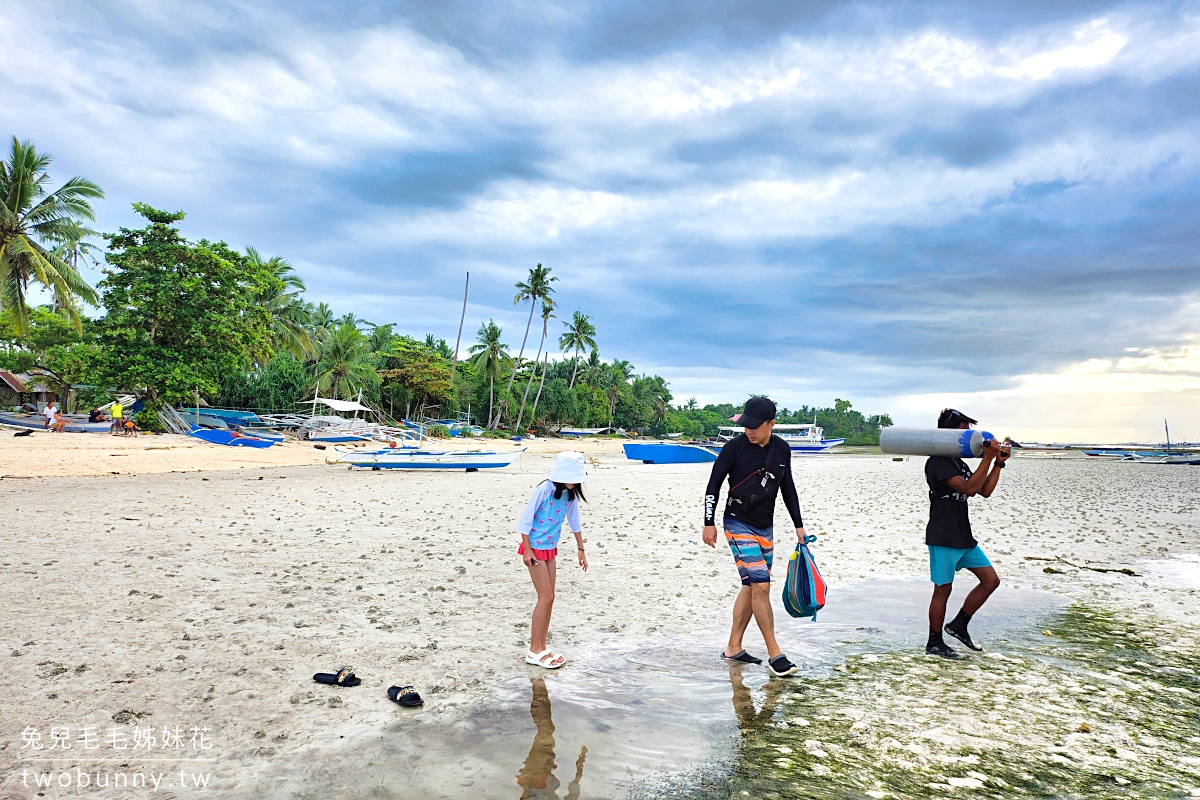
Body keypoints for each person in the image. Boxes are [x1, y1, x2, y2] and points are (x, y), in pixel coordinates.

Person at [703, 396, 805, 678]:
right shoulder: (733, 448)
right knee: (761, 586)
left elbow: (789, 489)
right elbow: (714, 484)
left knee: (751, 586)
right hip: (736, 523)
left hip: (765, 528)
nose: (748, 430)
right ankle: (776, 654)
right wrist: (708, 522)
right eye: (745, 425)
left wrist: (799, 525)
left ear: (772, 424)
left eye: (755, 426)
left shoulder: (782, 450)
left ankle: (733, 647)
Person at [923, 408, 1010, 659]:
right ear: (949, 433)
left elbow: (984, 491)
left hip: (963, 535)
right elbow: (969, 489)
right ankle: (934, 642)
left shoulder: (956, 462)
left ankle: (959, 625)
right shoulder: (937, 462)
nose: (968, 437)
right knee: (943, 589)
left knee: (990, 580)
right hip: (943, 535)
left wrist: (998, 463)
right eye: (963, 431)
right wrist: (987, 458)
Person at [516, 451, 590, 669]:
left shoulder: (571, 494)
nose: (575, 481)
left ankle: (543, 646)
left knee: (551, 597)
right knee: (545, 596)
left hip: (550, 548)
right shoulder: (545, 489)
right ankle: (534, 650)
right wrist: (527, 550)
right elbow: (525, 519)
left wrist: (581, 548)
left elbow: (574, 520)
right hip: (535, 547)